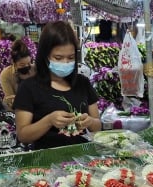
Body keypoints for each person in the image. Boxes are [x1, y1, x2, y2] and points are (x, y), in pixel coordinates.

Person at [13, 21, 102, 150]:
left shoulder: (82, 83)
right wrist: (49, 121)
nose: (65, 62)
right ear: (45, 56)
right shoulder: (28, 88)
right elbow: (23, 135)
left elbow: (97, 125)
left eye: (71, 57)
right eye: (58, 58)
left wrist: (90, 122)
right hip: (46, 163)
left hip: (82, 161)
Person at [0, 39, 36, 110]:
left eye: (29, 63)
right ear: (14, 62)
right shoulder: (6, 74)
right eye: (22, 64)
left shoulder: (35, 70)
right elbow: (10, 99)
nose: (26, 66)